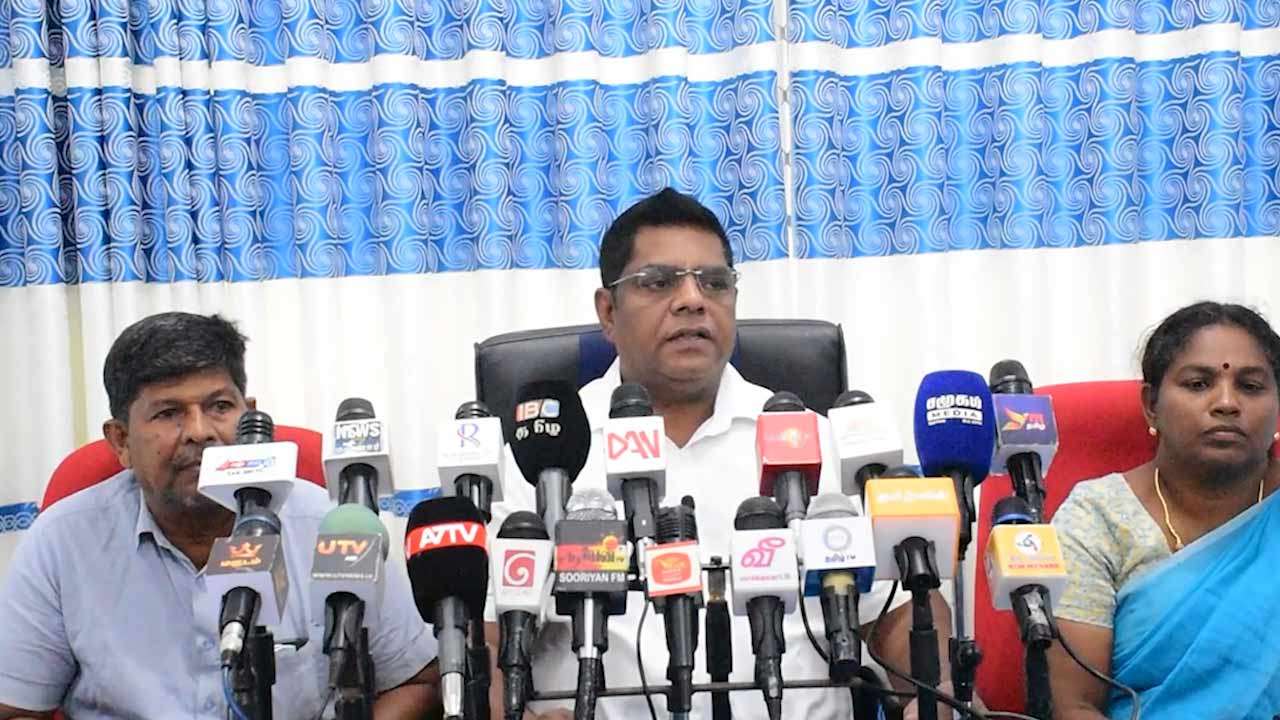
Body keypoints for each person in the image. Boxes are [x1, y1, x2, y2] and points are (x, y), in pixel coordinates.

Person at [488, 188, 955, 719]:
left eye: (714, 282)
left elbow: (900, 614)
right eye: (659, 282)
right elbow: (483, 637)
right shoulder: (542, 457)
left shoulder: (815, 443)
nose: (692, 300)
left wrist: (931, 695)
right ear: (608, 311)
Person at [0, 312, 440, 720]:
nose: (200, 431)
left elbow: (415, 681)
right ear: (121, 441)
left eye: (220, 407)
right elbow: (17, 709)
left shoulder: (332, 527)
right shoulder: (61, 542)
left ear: (250, 418)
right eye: (168, 413)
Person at [1049, 301, 1280, 719]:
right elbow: (1073, 705)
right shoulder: (1097, 519)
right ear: (1151, 405)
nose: (1227, 402)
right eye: (1198, 384)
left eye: (1250, 386)